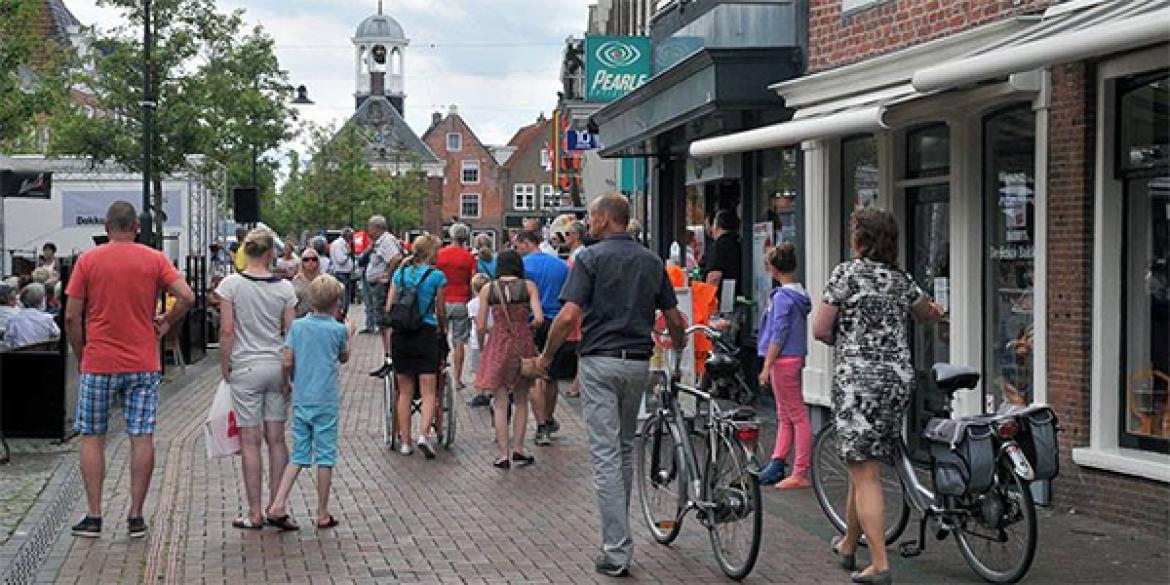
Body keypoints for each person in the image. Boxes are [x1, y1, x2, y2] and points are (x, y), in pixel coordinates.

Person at [536, 194, 686, 578]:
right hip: (637, 362)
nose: (588, 221)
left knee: (605, 454)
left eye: (590, 216)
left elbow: (569, 315)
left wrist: (548, 355)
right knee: (623, 447)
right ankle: (620, 536)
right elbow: (673, 318)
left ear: (604, 219)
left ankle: (617, 549)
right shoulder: (652, 261)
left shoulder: (589, 258)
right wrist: (679, 353)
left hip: (600, 361)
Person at [812, 208, 945, 584]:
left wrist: (850, 341)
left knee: (866, 472)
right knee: (864, 463)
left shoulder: (846, 274)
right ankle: (849, 546)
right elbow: (926, 312)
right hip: (897, 379)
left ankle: (881, 565)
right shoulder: (900, 279)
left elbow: (820, 329)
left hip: (858, 380)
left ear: (861, 240)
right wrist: (937, 310)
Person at [65, 201, 194, 539]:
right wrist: (165, 321)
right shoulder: (154, 259)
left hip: (100, 361)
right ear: (137, 226)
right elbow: (188, 296)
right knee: (142, 436)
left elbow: (71, 316)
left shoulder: (88, 261)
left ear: (106, 226)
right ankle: (136, 516)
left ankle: (94, 516)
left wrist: (83, 354)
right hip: (142, 362)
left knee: (92, 435)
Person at [216, 228, 298, 530]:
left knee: (250, 441)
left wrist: (226, 365)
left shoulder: (230, 286)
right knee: (276, 439)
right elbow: (291, 333)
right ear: (269, 253)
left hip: (246, 368)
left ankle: (254, 512)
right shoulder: (285, 289)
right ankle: (277, 505)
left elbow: (227, 330)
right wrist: (289, 370)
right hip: (276, 366)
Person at [266, 274, 355, 531]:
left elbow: (287, 360)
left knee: (300, 453)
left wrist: (286, 382)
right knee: (325, 456)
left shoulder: (298, 327)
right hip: (326, 398)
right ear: (336, 302)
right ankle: (322, 511)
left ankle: (279, 502)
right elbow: (344, 357)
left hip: (302, 396)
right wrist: (349, 333)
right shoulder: (337, 329)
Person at [473, 250, 543, 468]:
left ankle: (503, 454)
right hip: (522, 344)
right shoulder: (528, 286)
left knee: (501, 402)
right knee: (522, 399)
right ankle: (519, 449)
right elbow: (539, 318)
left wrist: (484, 345)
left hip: (499, 342)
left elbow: (482, 325)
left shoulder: (488, 289)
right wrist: (526, 327)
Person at [757, 243, 812, 489]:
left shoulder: (781, 299)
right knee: (787, 414)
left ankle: (799, 471)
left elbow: (778, 333)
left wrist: (767, 365)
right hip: (795, 357)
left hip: (783, 360)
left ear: (774, 269)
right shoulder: (799, 295)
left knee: (795, 415)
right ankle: (777, 462)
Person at [387, 235, 447, 458]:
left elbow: (389, 305)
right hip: (425, 333)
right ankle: (423, 434)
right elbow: (440, 311)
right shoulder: (437, 276)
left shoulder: (400, 274)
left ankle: (405, 441)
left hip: (402, 335)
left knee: (404, 391)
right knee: (429, 390)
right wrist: (443, 331)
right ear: (431, 253)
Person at [513, 230, 569, 446]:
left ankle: (541, 425)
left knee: (534, 375)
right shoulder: (561, 266)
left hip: (532, 322)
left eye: (518, 245)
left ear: (527, 243)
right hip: (557, 323)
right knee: (551, 375)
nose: (517, 250)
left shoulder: (523, 267)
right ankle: (548, 416)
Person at [436, 223, 477, 394]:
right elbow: (473, 281)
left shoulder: (440, 255)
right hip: (462, 301)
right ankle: (458, 378)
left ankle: (439, 371)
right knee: (459, 341)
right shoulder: (469, 257)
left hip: (443, 301)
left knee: (440, 336)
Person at [366, 215, 405, 378]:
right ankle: (388, 359)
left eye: (370, 227)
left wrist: (387, 275)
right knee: (382, 324)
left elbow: (396, 258)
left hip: (382, 288)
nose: (368, 231)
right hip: (379, 286)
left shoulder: (386, 241)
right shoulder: (381, 242)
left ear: (376, 227)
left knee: (386, 323)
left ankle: (391, 360)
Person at [4, 283, 60, 348]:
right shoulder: (48, 319)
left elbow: (8, 343)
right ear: (41, 300)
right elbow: (57, 335)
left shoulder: (13, 320)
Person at [703, 210, 743, 294]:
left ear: (716, 226)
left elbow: (714, 276)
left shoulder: (718, 246)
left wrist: (707, 298)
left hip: (721, 298)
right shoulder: (737, 244)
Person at [291, 248, 325, 318]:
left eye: (314, 259)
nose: (310, 262)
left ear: (318, 261)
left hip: (319, 318)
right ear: (302, 262)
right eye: (306, 259)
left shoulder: (323, 279)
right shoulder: (296, 280)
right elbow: (292, 303)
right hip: (300, 318)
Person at [329, 228, 355, 316]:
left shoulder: (343, 244)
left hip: (346, 273)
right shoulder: (338, 244)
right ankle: (341, 314)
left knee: (346, 296)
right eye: (351, 236)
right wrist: (348, 252)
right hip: (341, 273)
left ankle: (344, 313)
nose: (352, 238)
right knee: (343, 297)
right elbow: (340, 260)